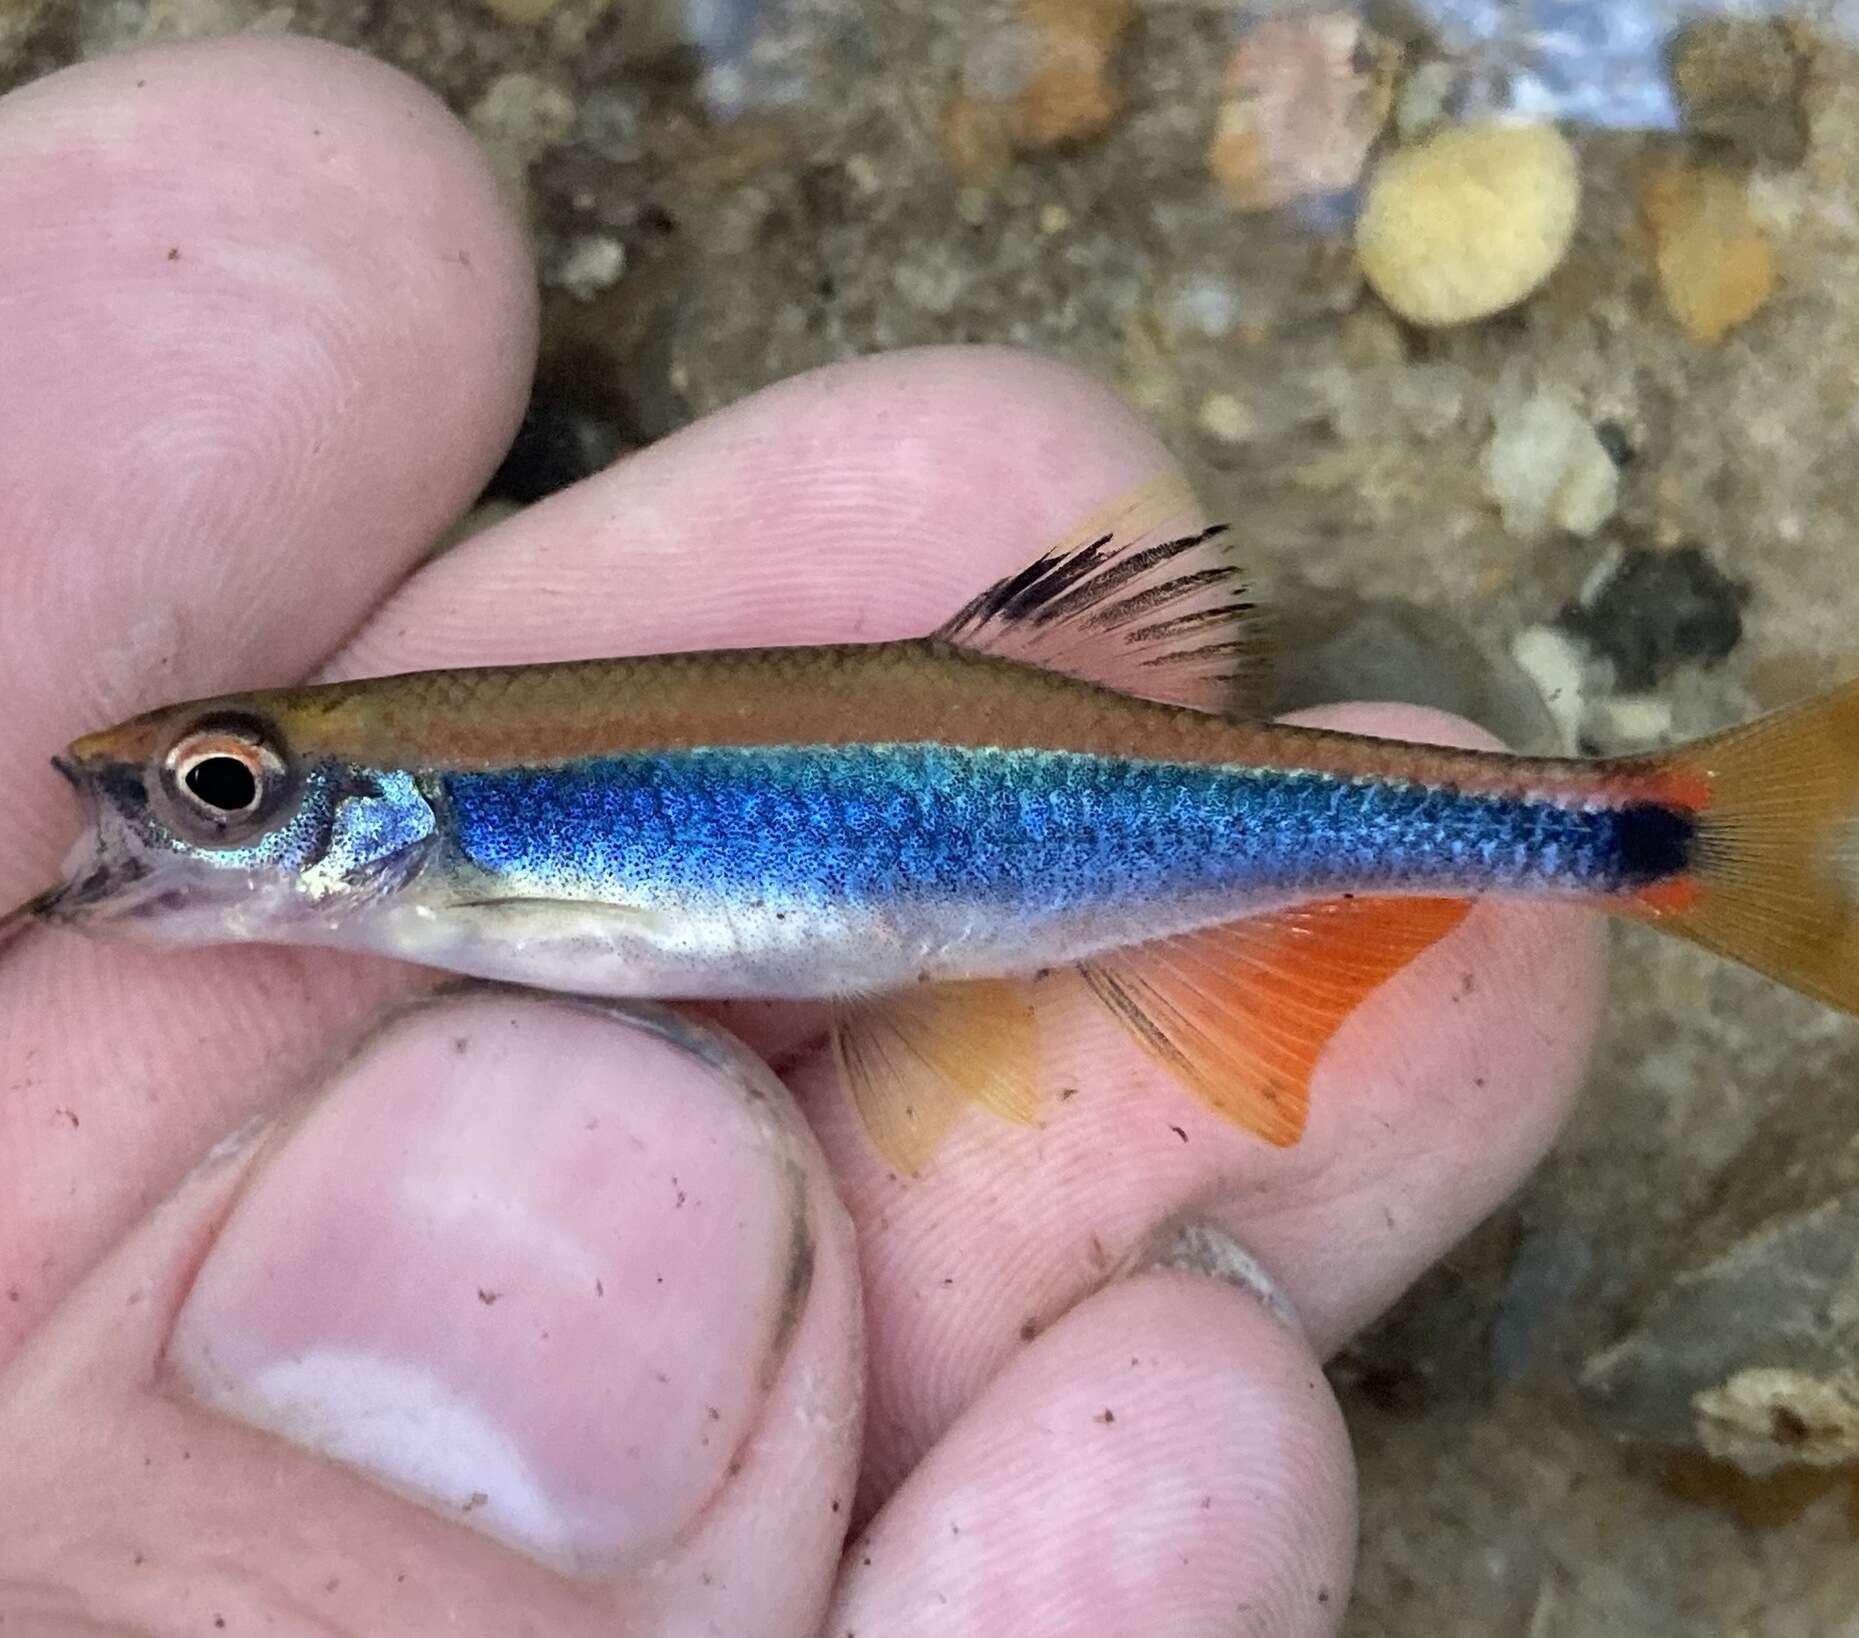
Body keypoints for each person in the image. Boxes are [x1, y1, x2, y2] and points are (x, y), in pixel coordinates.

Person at [0, 35, 1602, 1635]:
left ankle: (1617, 834)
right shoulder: (411, 850)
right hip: (1008, 882)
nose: (180, 816)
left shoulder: (449, 849)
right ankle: (1610, 834)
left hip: (1031, 854)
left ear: (386, 807)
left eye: (225, 787)